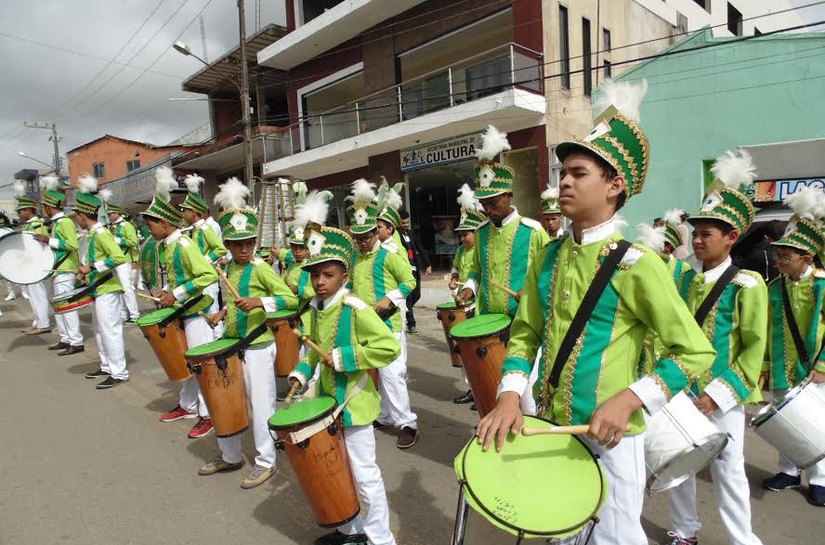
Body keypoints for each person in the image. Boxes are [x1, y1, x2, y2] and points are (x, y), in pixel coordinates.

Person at [476, 80, 715, 545]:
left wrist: (629, 400)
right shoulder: (547, 257)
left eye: (579, 173)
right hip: (552, 428)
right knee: (563, 535)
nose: (563, 180)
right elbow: (524, 334)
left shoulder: (638, 264)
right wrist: (508, 396)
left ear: (615, 185)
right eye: (563, 172)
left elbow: (693, 352)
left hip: (611, 440)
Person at [668, 149, 767, 545]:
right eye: (696, 232)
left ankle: (742, 539)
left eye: (707, 233)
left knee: (729, 469)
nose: (698, 239)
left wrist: (716, 395)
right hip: (680, 391)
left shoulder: (748, 285)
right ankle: (685, 530)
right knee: (679, 465)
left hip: (721, 397)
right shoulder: (685, 280)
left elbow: (752, 350)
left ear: (731, 238)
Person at [286, 203, 401, 545]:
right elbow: (312, 354)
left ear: (344, 276)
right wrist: (299, 374)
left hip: (355, 405)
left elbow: (387, 348)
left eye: (328, 274)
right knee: (340, 472)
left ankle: (381, 539)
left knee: (365, 476)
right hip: (326, 404)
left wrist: (347, 357)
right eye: (314, 274)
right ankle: (352, 530)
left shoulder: (355, 308)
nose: (319, 281)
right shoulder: (315, 310)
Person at [199, 177, 298, 488]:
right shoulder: (227, 269)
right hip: (231, 343)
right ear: (227, 245)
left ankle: (266, 461)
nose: (244, 249)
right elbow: (235, 301)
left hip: (257, 346)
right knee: (226, 399)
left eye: (248, 243)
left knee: (261, 405)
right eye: (237, 244)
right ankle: (230, 456)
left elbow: (291, 300)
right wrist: (222, 312)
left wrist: (261, 302)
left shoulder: (262, 268)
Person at [142, 166, 219, 439]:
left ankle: (208, 415)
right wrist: (166, 291)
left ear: (165, 223)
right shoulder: (168, 246)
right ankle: (188, 406)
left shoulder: (184, 245)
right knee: (184, 365)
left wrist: (178, 293)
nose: (147, 228)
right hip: (182, 311)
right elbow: (177, 278)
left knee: (199, 367)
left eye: (150, 223)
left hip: (197, 313)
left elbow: (207, 274)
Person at [760, 186, 825, 507]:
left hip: (815, 367)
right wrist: (766, 366)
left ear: (807, 258)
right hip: (783, 366)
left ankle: (820, 478)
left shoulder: (822, 286)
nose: (780, 260)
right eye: (779, 254)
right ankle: (788, 470)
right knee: (785, 420)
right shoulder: (774, 288)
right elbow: (767, 330)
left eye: (787, 256)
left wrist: (823, 365)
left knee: (816, 421)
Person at [347, 179, 419, 449]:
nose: (364, 242)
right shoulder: (355, 258)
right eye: (359, 238)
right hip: (365, 325)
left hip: (389, 323)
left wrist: (388, 298)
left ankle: (407, 423)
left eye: (368, 236)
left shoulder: (389, 254)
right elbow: (352, 285)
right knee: (376, 371)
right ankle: (387, 415)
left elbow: (409, 281)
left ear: (376, 233)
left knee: (392, 374)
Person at [457, 125, 551, 320]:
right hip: (486, 320)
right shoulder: (480, 232)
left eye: (493, 203)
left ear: (509, 196)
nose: (488, 210)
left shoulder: (533, 231)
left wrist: (531, 291)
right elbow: (476, 270)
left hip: (524, 321)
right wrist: (468, 289)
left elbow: (550, 273)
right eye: (484, 204)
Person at [72, 177, 129, 389]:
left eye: (77, 215)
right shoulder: (92, 234)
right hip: (98, 290)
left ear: (82, 215)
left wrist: (92, 267)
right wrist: (85, 273)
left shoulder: (103, 233)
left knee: (110, 330)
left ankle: (119, 372)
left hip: (108, 290)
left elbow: (119, 258)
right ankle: (106, 366)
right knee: (98, 330)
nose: (76, 219)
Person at [32, 174, 85, 356]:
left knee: (67, 308)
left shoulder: (64, 223)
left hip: (65, 270)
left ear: (50, 207)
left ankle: (76, 340)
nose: (43, 210)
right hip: (57, 270)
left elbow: (73, 244)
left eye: (45, 206)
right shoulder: (56, 223)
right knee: (59, 308)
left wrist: (49, 240)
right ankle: (65, 338)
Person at [449, 184, 486, 405]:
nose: (463, 238)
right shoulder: (461, 250)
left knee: (478, 352)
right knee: (463, 352)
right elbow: (455, 268)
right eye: (461, 234)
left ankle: (483, 387)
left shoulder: (481, 249)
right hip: (462, 303)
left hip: (476, 304)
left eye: (466, 234)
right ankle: (471, 388)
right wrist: (453, 278)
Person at [180, 173, 227, 338]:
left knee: (213, 310)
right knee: (204, 312)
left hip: (208, 278)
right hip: (198, 279)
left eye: (185, 210)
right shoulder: (192, 231)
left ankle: (219, 342)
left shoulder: (206, 228)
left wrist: (204, 261)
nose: (183, 214)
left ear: (193, 212)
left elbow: (220, 249)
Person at [14, 182, 51, 335]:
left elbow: (40, 246)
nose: (19, 214)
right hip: (30, 265)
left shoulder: (37, 224)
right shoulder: (29, 225)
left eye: (21, 211)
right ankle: (37, 322)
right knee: (33, 295)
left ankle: (43, 324)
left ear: (28, 211)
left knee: (38, 295)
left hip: (37, 265)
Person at [106, 202, 140, 322]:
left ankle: (134, 314)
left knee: (127, 288)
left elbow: (133, 241)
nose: (109, 216)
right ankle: (123, 314)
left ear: (117, 213)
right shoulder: (110, 226)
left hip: (125, 260)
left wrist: (116, 240)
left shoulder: (126, 225)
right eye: (108, 214)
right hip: (115, 260)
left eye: (111, 213)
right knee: (119, 288)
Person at [398, 209, 430, 334]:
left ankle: (405, 310)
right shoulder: (396, 235)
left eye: (407, 222)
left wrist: (428, 264)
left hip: (414, 269)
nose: (406, 225)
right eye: (403, 223)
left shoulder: (411, 234)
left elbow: (420, 248)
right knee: (409, 297)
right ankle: (411, 324)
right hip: (404, 270)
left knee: (416, 295)